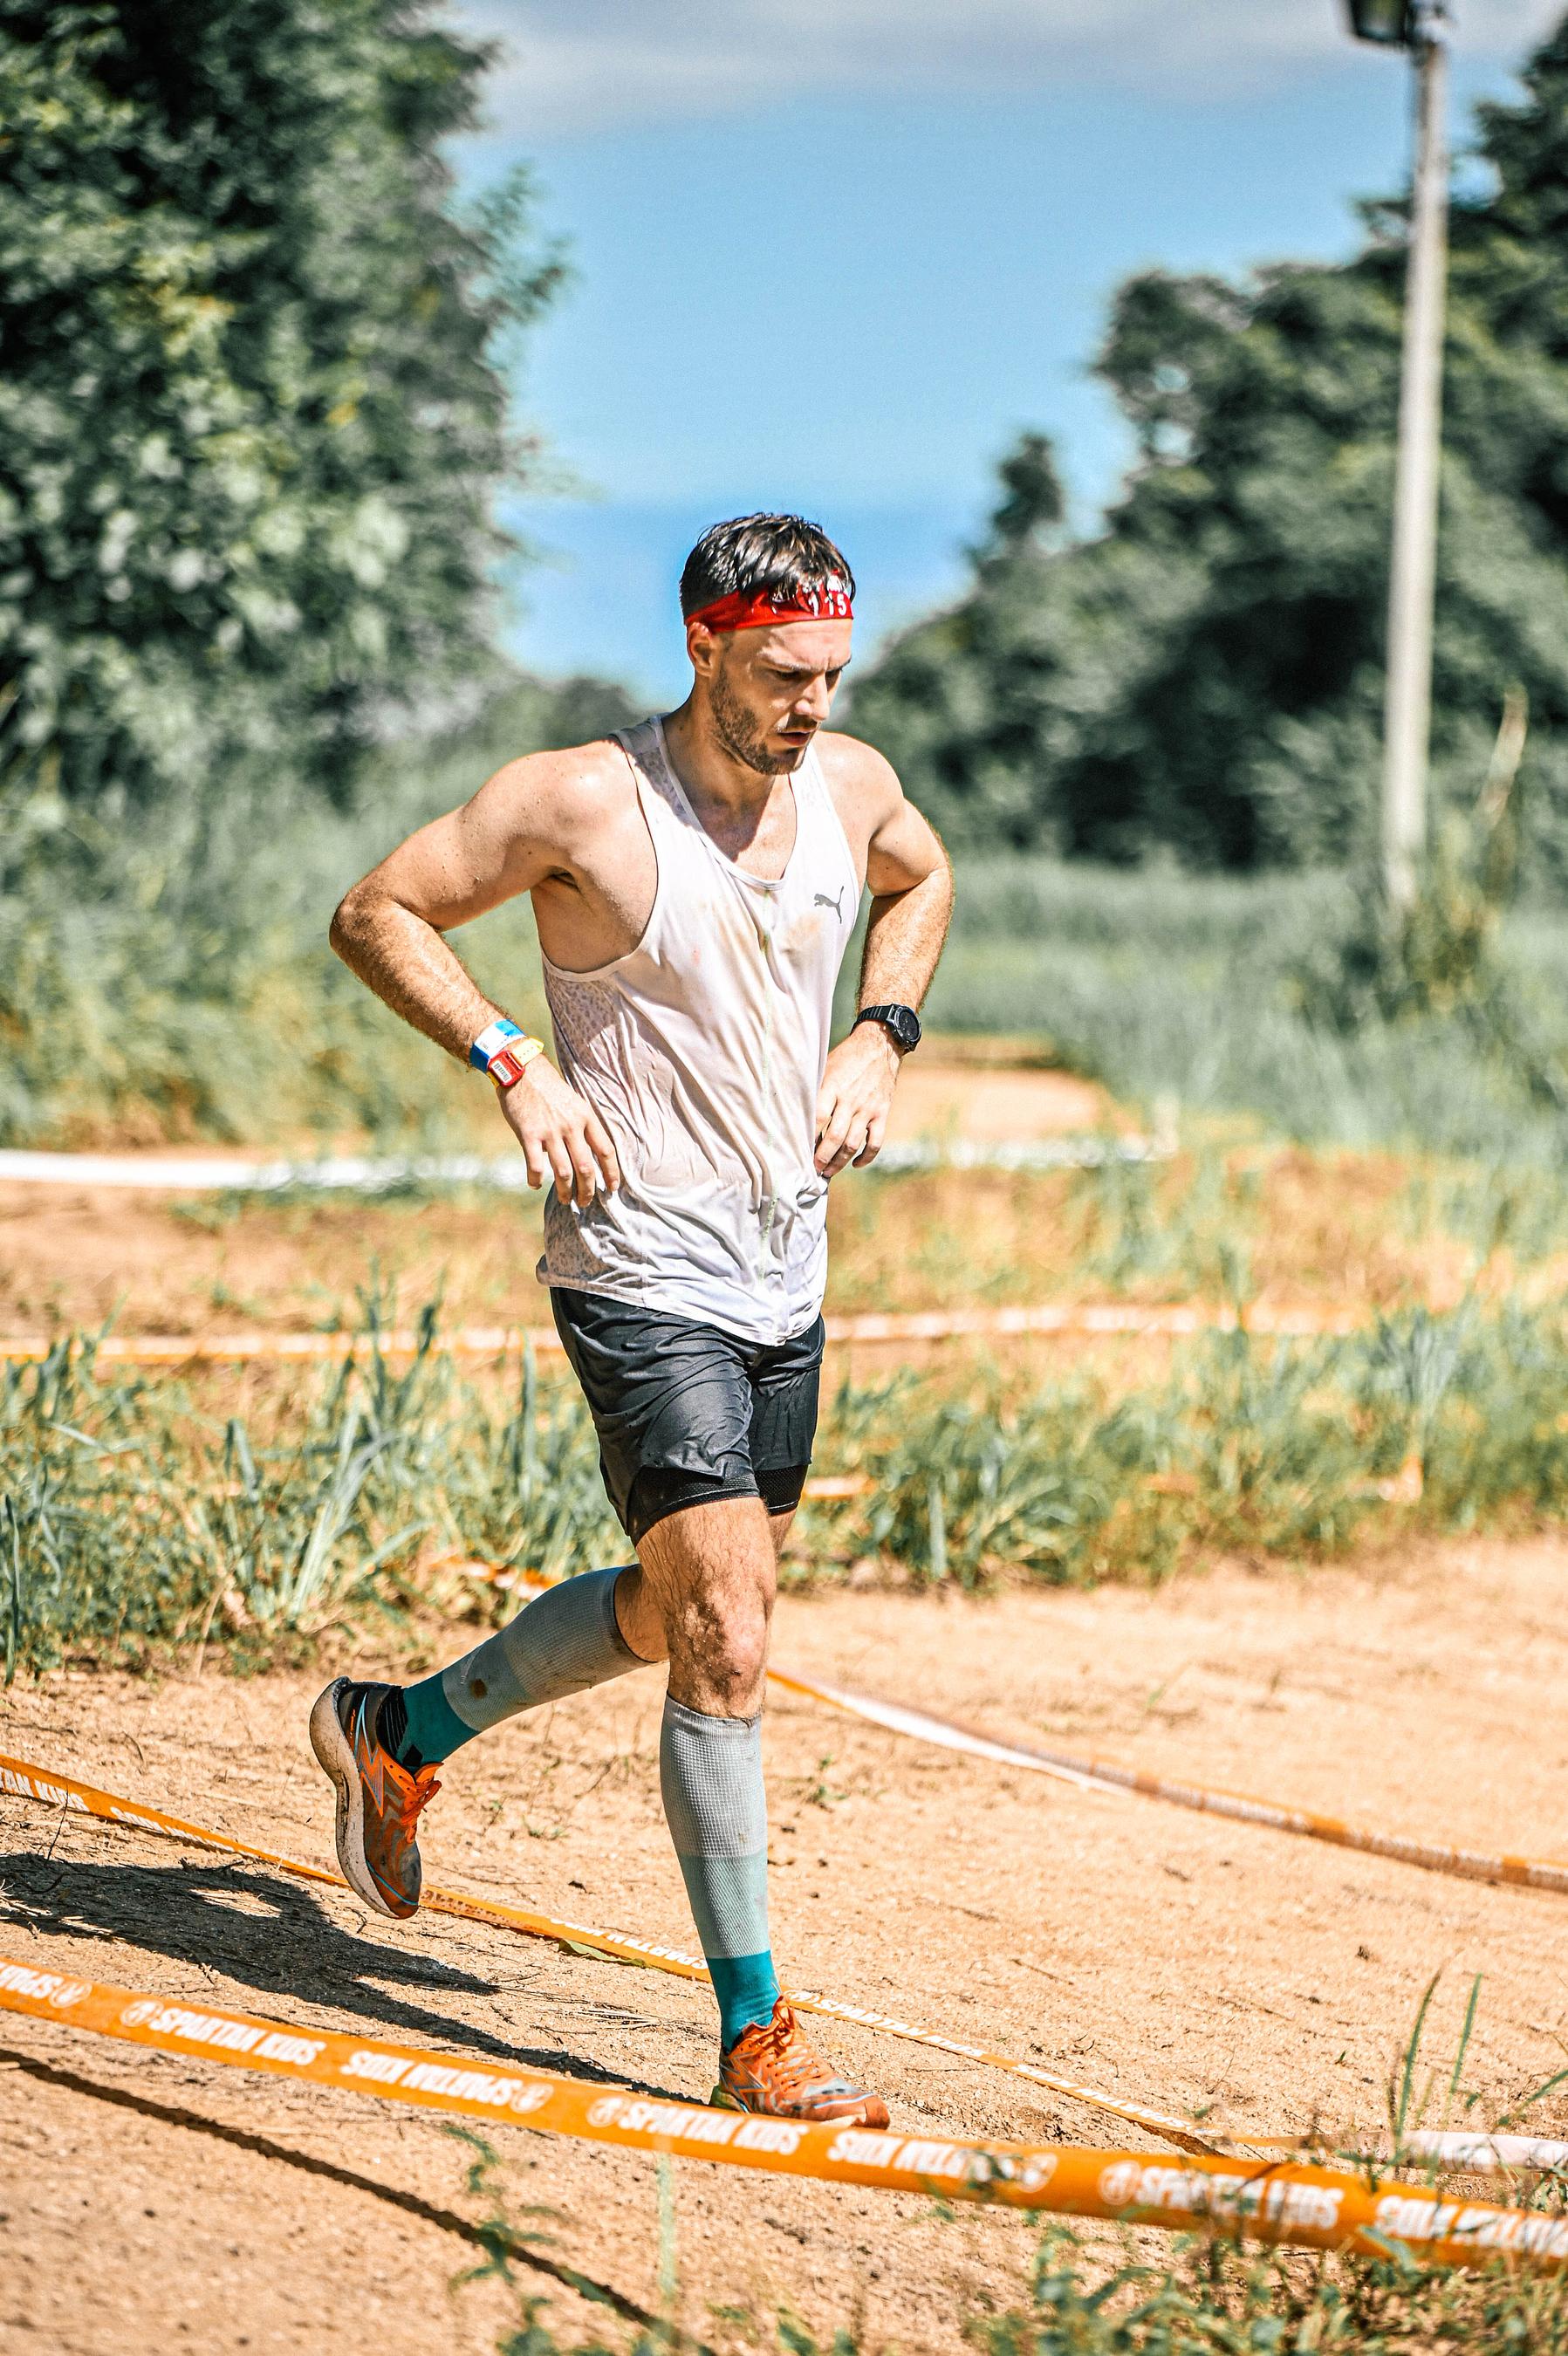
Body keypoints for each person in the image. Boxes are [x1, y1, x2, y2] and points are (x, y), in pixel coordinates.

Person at [311, 513, 952, 2125]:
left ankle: (398, 1730)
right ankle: (755, 2036)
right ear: (703, 644)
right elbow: (378, 910)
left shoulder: (853, 788)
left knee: (676, 1612)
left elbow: (925, 875)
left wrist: (878, 1035)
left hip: (782, 1270)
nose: (810, 707)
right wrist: (512, 1063)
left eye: (831, 675)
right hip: (634, 1264)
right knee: (732, 1627)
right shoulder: (581, 799)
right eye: (782, 674)